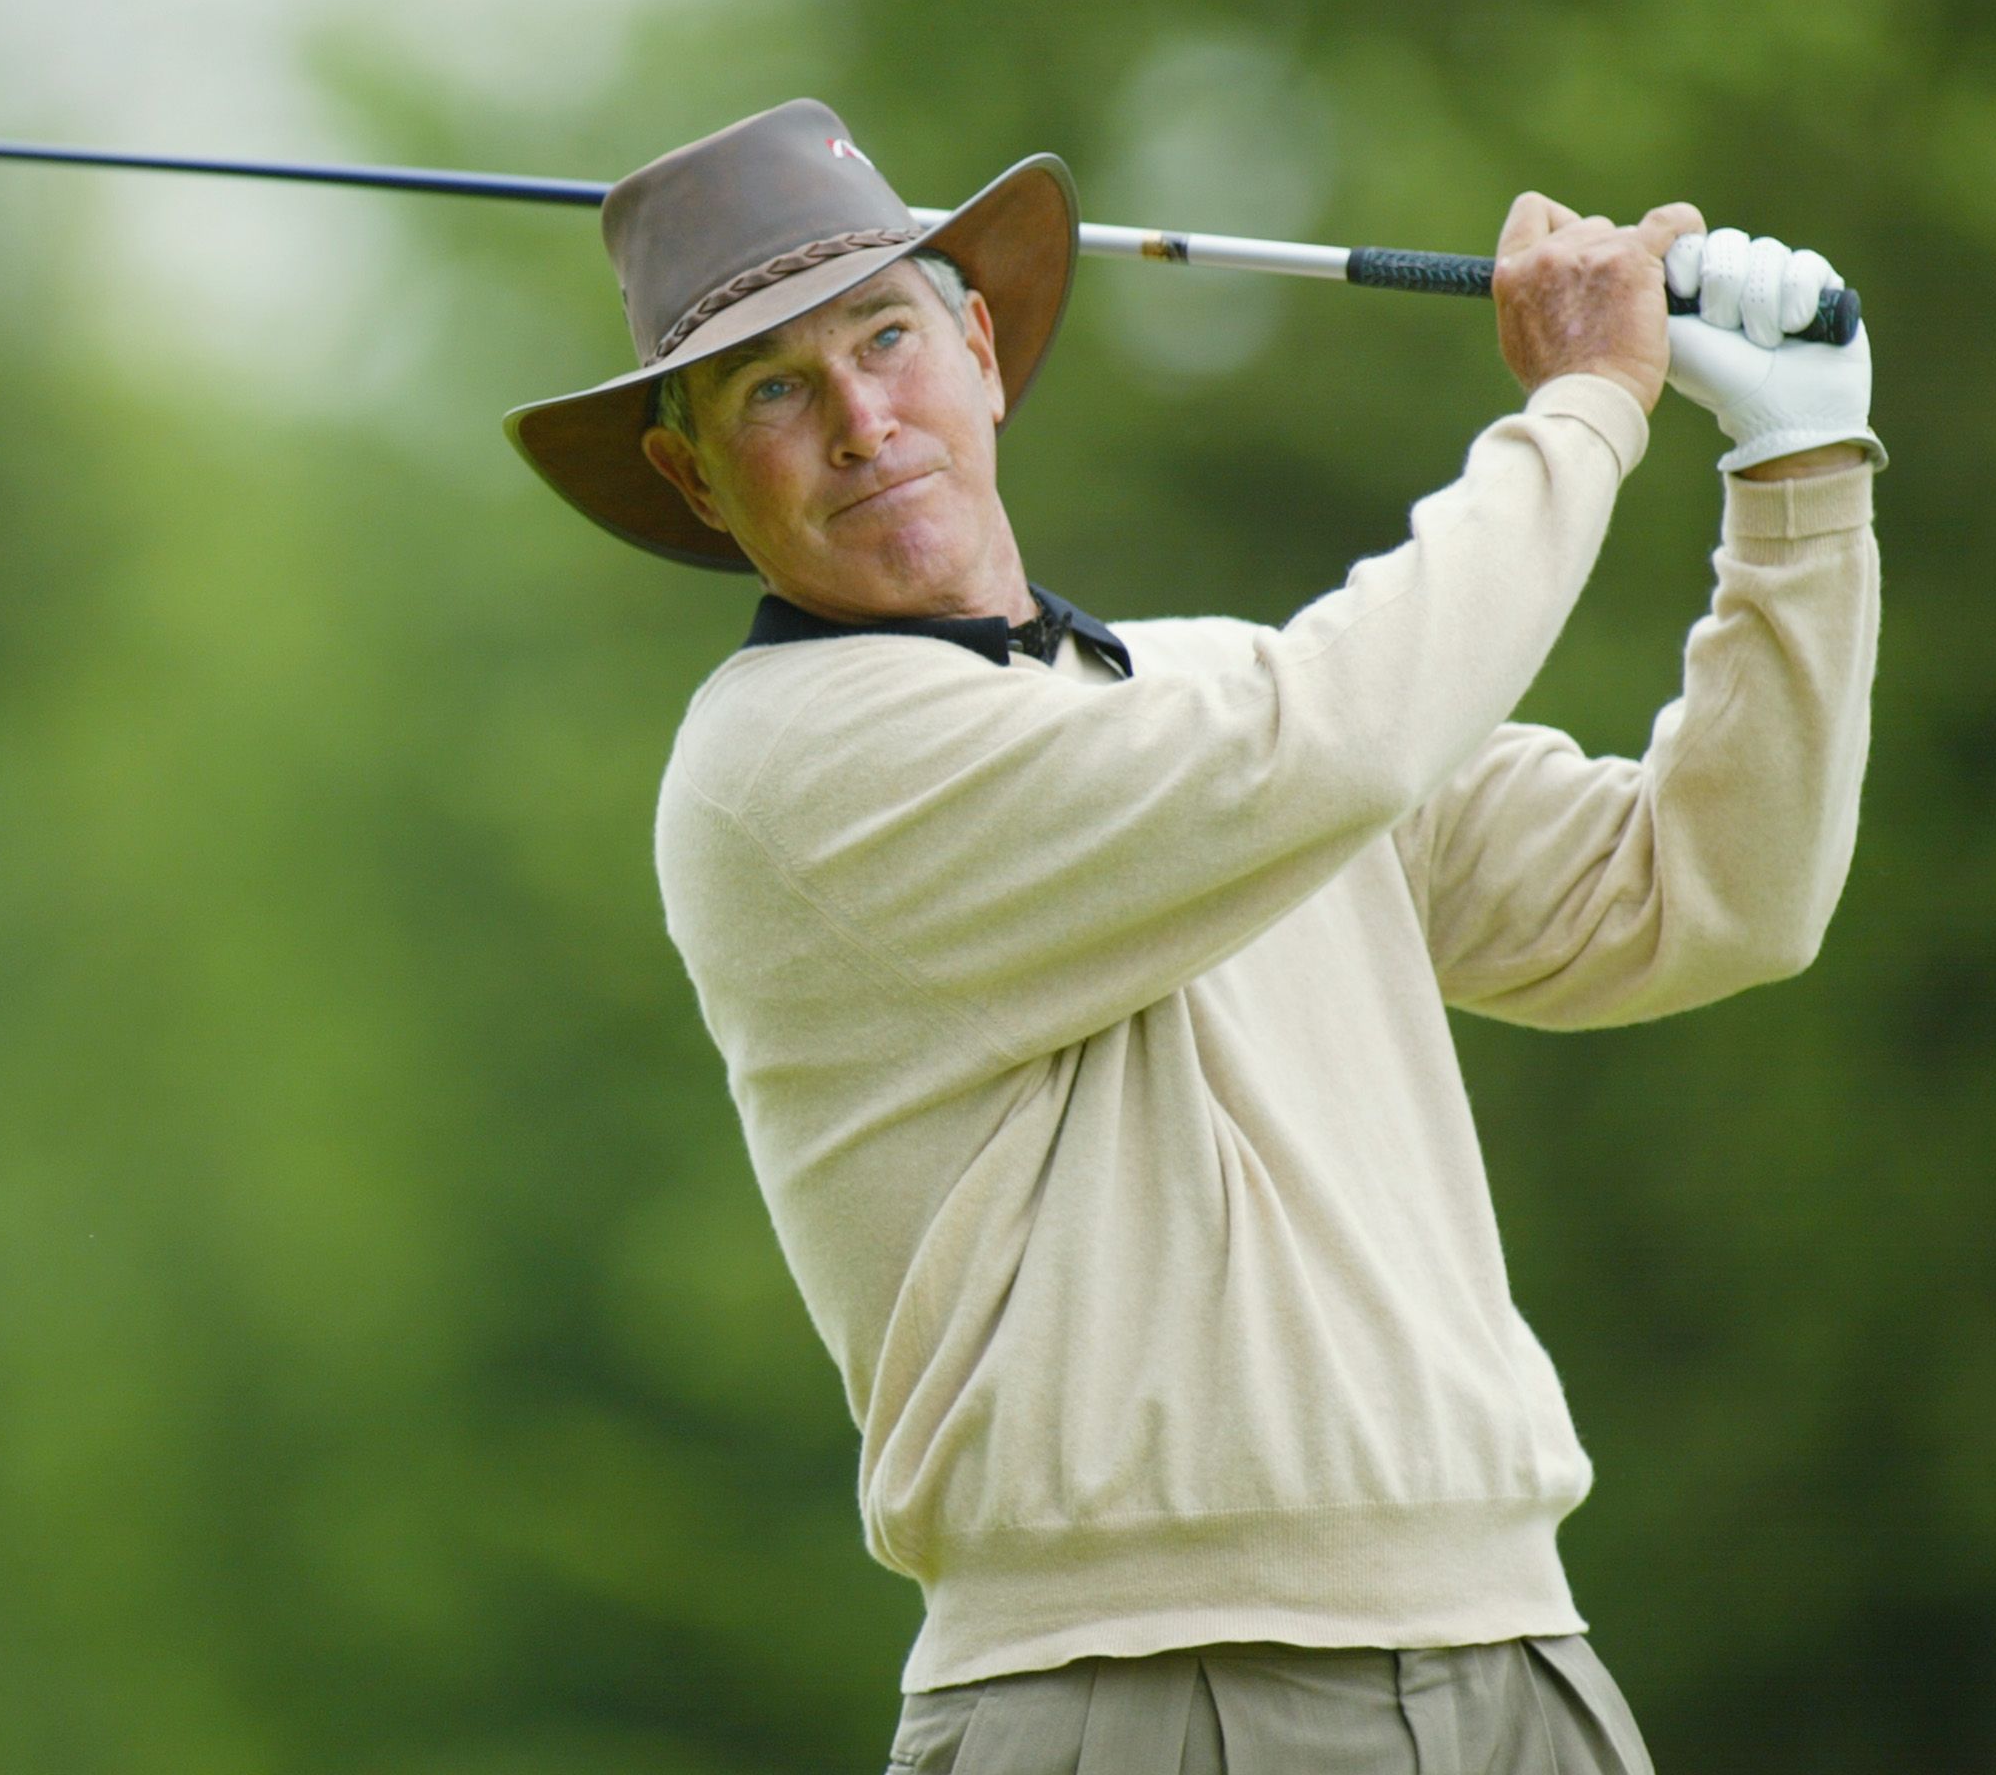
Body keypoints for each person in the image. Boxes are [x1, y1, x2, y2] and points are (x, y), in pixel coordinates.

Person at [501, 101, 1881, 1774]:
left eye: (884, 336)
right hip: (1132, 1695)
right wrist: (1588, 402)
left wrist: (1797, 484)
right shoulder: (788, 760)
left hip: (1518, 1659)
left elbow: (1713, 895)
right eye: (773, 390)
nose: (862, 419)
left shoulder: (1214, 693)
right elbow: (1337, 739)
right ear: (692, 472)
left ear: (984, 351)